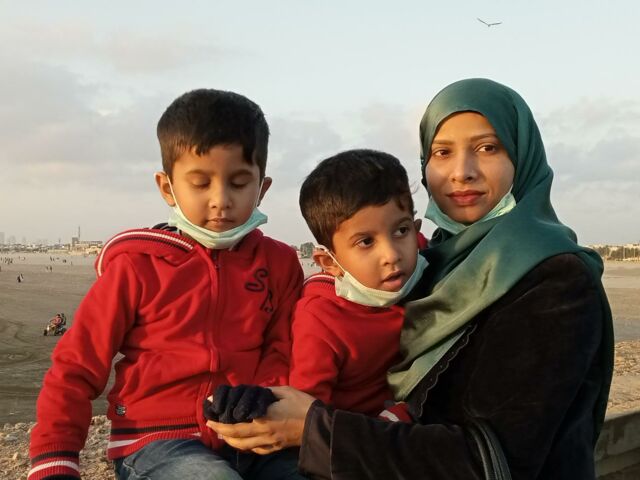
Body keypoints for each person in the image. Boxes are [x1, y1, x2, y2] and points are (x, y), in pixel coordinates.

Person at [208, 78, 614, 479]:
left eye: (488, 148)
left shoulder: (555, 280)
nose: (462, 172)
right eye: (443, 152)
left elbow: (496, 460)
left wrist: (314, 430)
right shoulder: (434, 263)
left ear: (522, 155)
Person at [29, 89, 304, 480]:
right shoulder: (137, 266)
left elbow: (283, 347)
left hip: (254, 433)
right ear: (166, 187)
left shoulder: (279, 263)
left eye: (239, 183)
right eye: (200, 183)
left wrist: (264, 392)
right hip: (157, 440)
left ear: (262, 187)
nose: (220, 200)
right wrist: (54, 458)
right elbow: (76, 365)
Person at [290, 149, 425, 418]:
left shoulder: (430, 268)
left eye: (401, 230)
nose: (391, 255)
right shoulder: (320, 320)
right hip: (356, 432)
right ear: (329, 263)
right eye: (366, 242)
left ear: (416, 228)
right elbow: (307, 415)